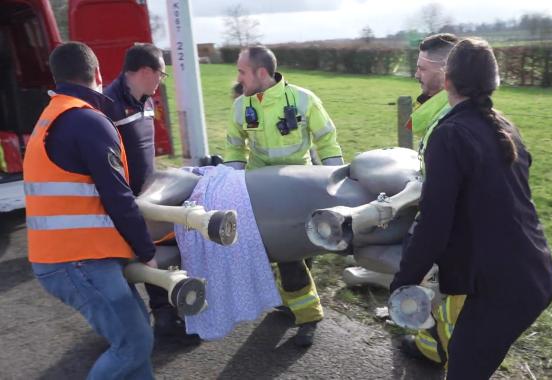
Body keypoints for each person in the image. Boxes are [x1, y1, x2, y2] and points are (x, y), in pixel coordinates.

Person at [390, 38, 552, 379]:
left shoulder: (450, 134)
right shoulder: (504, 126)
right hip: (534, 271)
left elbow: (434, 223)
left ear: (448, 81)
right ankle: (434, 347)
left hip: (504, 287)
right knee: (466, 357)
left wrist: (403, 282)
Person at [24, 42, 156, 379]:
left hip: (64, 258)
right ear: (97, 74)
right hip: (78, 260)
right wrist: (146, 250)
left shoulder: (50, 118)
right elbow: (118, 196)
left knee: (137, 336)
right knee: (134, 344)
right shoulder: (88, 121)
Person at [224, 45, 344, 347]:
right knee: (286, 254)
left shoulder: (303, 100)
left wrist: (338, 186)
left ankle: (308, 315)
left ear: (261, 73)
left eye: (241, 71)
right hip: (262, 193)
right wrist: (232, 183)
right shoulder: (241, 106)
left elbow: (327, 140)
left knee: (293, 255)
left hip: (299, 189)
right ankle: (295, 303)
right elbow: (235, 146)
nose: (237, 77)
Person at [103, 43, 200, 344]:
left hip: (151, 195)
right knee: (139, 258)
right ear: (145, 71)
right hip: (125, 200)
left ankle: (165, 314)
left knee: (158, 252)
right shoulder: (108, 105)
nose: (162, 80)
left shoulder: (146, 100)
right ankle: (153, 322)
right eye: (161, 73)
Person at [398, 33, 469, 368]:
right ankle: (432, 347)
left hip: (459, 239)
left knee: (456, 306)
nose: (416, 75)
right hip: (446, 230)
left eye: (422, 68)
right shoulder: (439, 116)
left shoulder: (449, 124)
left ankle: (454, 356)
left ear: (446, 73)